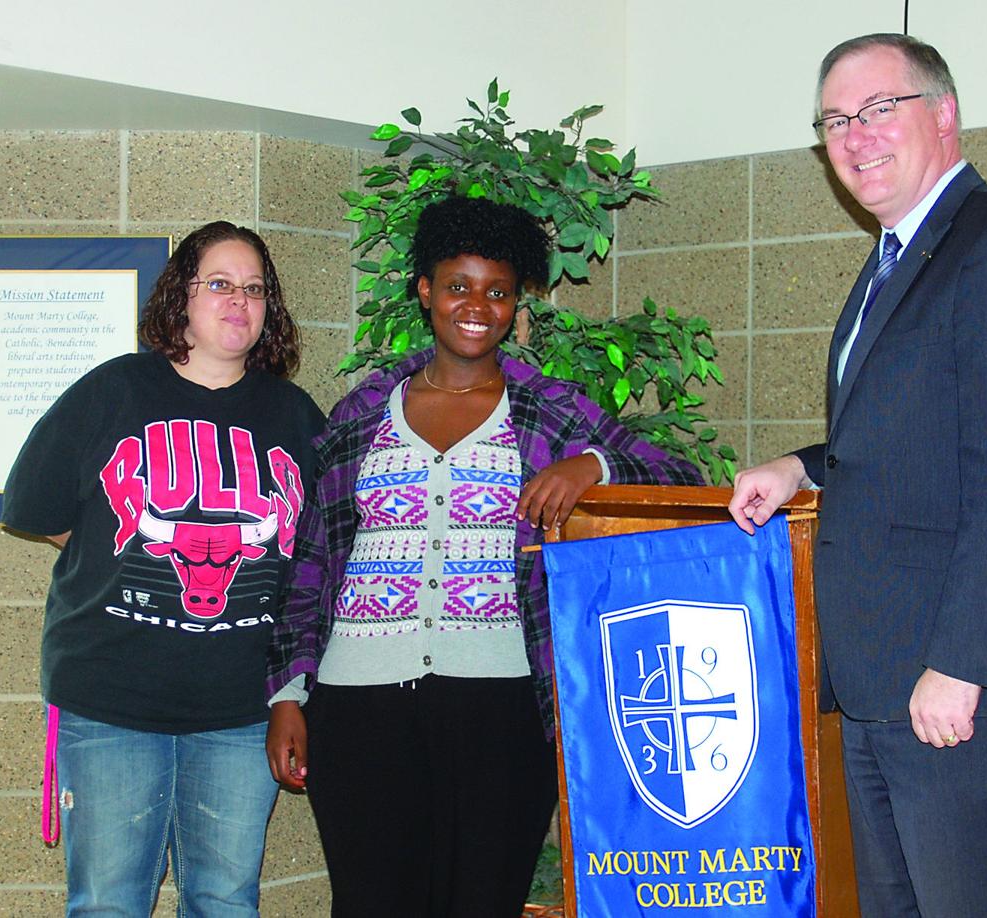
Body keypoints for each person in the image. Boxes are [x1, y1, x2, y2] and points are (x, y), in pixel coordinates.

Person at [728, 34, 987, 918]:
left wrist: (962, 665)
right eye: (833, 121)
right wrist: (797, 468)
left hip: (966, 690)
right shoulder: (897, 256)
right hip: (883, 684)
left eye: (876, 110)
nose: (853, 137)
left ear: (943, 114)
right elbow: (912, 441)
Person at [265, 195, 704, 917]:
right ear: (425, 292)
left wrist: (593, 463)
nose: (478, 305)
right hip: (359, 709)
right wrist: (289, 693)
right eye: (458, 285)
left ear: (516, 303)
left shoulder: (549, 409)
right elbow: (312, 563)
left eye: (497, 291)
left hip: (501, 707)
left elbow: (681, 482)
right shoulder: (361, 415)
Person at [2, 221, 325, 915]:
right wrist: (132, 559)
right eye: (219, 284)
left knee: (225, 900)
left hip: (244, 709)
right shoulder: (111, 392)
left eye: (254, 288)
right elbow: (43, 511)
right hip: (112, 699)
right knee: (109, 903)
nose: (239, 301)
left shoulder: (294, 415)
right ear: (181, 296)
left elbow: (311, 558)